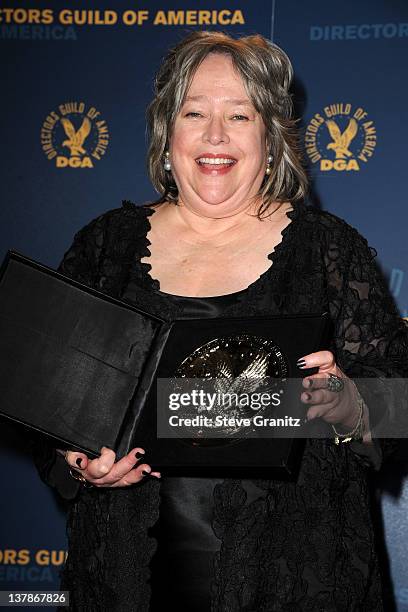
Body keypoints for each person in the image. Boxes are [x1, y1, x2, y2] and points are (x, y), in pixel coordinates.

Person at [30, 31, 407, 611]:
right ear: (167, 130)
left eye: (240, 115)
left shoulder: (330, 250)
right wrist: (76, 458)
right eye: (195, 113)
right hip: (127, 576)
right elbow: (48, 402)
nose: (215, 136)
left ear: (272, 135)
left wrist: (350, 403)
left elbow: (399, 404)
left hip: (294, 580)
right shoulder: (103, 246)